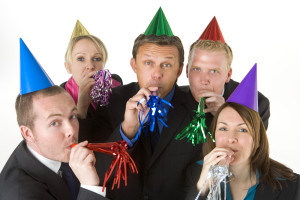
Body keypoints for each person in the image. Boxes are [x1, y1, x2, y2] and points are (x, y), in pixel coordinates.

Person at [80, 7, 203, 199]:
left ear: (179, 70)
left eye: (167, 64)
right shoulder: (110, 103)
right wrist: (126, 131)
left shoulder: (197, 111)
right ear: (133, 65)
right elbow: (96, 174)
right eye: (148, 63)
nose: (156, 74)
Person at [0, 39, 108, 200]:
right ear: (28, 133)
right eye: (54, 123)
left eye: (72, 116)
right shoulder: (20, 193)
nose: (71, 130)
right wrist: (90, 187)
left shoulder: (55, 151)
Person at [186, 65, 300, 200]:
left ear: (257, 140)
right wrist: (203, 185)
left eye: (242, 130)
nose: (231, 138)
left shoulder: (291, 185)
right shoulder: (195, 173)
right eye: (223, 128)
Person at [183, 17, 270, 129]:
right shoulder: (174, 99)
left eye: (214, 71)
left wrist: (225, 115)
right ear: (187, 71)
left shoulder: (255, 103)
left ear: (228, 75)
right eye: (197, 69)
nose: (203, 80)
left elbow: (256, 145)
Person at [62, 20, 122, 142]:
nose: (90, 65)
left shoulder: (115, 85)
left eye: (97, 58)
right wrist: (82, 108)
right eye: (80, 59)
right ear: (68, 67)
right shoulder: (60, 97)